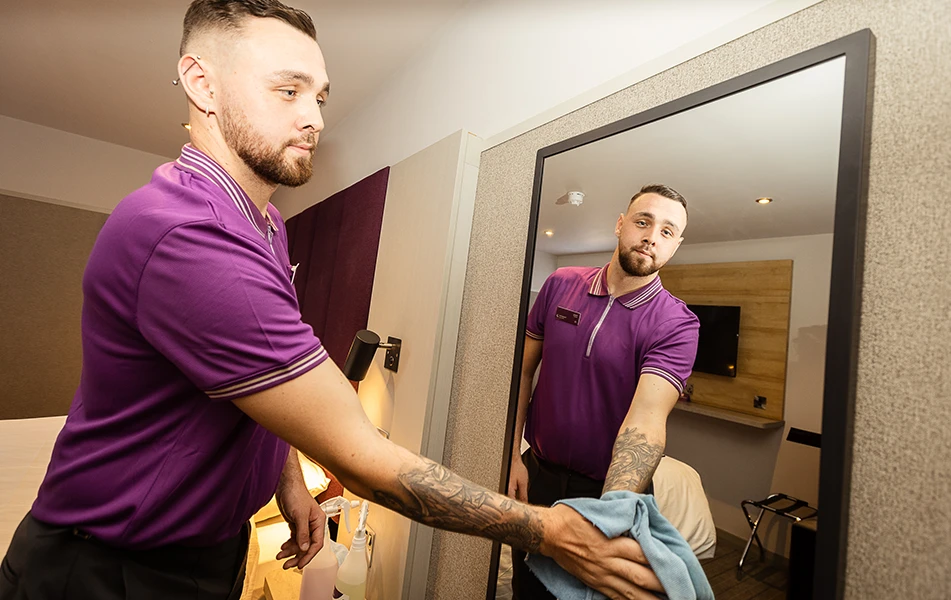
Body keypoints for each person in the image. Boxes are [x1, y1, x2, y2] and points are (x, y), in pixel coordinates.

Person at [0, 2, 665, 599]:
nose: (315, 118)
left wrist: (287, 481)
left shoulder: (263, 223)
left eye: (319, 95)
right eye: (288, 90)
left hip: (207, 547)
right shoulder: (186, 234)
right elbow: (358, 453)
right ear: (202, 83)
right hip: (108, 568)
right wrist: (547, 530)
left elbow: (258, 384)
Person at [507, 184, 700, 599]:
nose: (652, 236)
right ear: (620, 224)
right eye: (643, 221)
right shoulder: (560, 285)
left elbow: (647, 420)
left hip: (607, 493)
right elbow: (520, 373)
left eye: (668, 231)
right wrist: (510, 455)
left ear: (676, 246)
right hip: (536, 475)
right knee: (529, 588)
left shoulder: (677, 323)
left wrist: (609, 514)